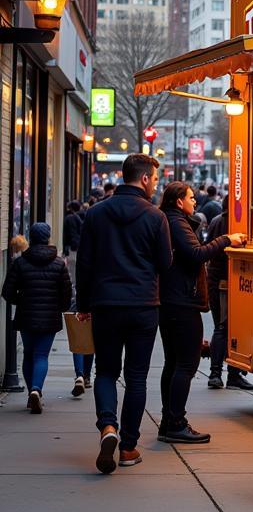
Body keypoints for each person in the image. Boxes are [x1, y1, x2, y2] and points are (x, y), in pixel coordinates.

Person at [76, 153, 173, 473]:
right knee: (136, 377)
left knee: (105, 371)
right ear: (144, 178)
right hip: (144, 306)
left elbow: (85, 264)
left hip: (105, 304)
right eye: (155, 180)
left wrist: (85, 305)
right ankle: (129, 447)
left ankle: (108, 427)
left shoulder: (95, 214)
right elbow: (165, 264)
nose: (156, 185)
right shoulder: (155, 217)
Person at [157, 182, 246, 444]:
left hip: (172, 300)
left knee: (173, 363)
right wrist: (226, 240)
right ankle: (175, 422)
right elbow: (196, 254)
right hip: (182, 301)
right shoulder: (177, 222)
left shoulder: (172, 220)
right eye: (191, 198)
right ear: (178, 201)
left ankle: (168, 421)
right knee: (185, 363)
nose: (195, 202)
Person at [1, 223, 72, 413]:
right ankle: (36, 389)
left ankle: (30, 392)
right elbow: (66, 293)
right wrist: (60, 307)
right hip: (49, 317)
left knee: (28, 354)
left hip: (26, 315)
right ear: (48, 238)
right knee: (41, 355)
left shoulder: (20, 262)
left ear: (30, 238)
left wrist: (21, 300)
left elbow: (7, 291)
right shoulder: (58, 264)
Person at [205, 210, 253, 390]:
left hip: (218, 279)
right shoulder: (230, 224)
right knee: (225, 325)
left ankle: (222, 374)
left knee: (224, 326)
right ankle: (220, 374)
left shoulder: (217, 220)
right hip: (224, 280)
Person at [62, 201, 93, 396]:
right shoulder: (103, 251)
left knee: (79, 336)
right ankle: (87, 375)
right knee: (91, 338)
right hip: (100, 300)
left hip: (84, 297)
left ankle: (81, 374)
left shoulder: (85, 253)